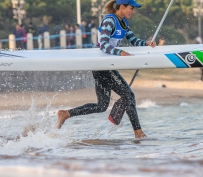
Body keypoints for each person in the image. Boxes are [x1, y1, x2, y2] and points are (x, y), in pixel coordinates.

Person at [57, 0, 156, 139]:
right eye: (131, 8)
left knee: (102, 106)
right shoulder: (110, 21)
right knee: (128, 95)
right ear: (122, 6)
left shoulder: (124, 22)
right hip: (101, 65)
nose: (133, 12)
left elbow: (134, 40)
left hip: (105, 66)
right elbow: (103, 45)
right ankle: (138, 133)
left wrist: (146, 43)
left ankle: (66, 114)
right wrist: (120, 52)